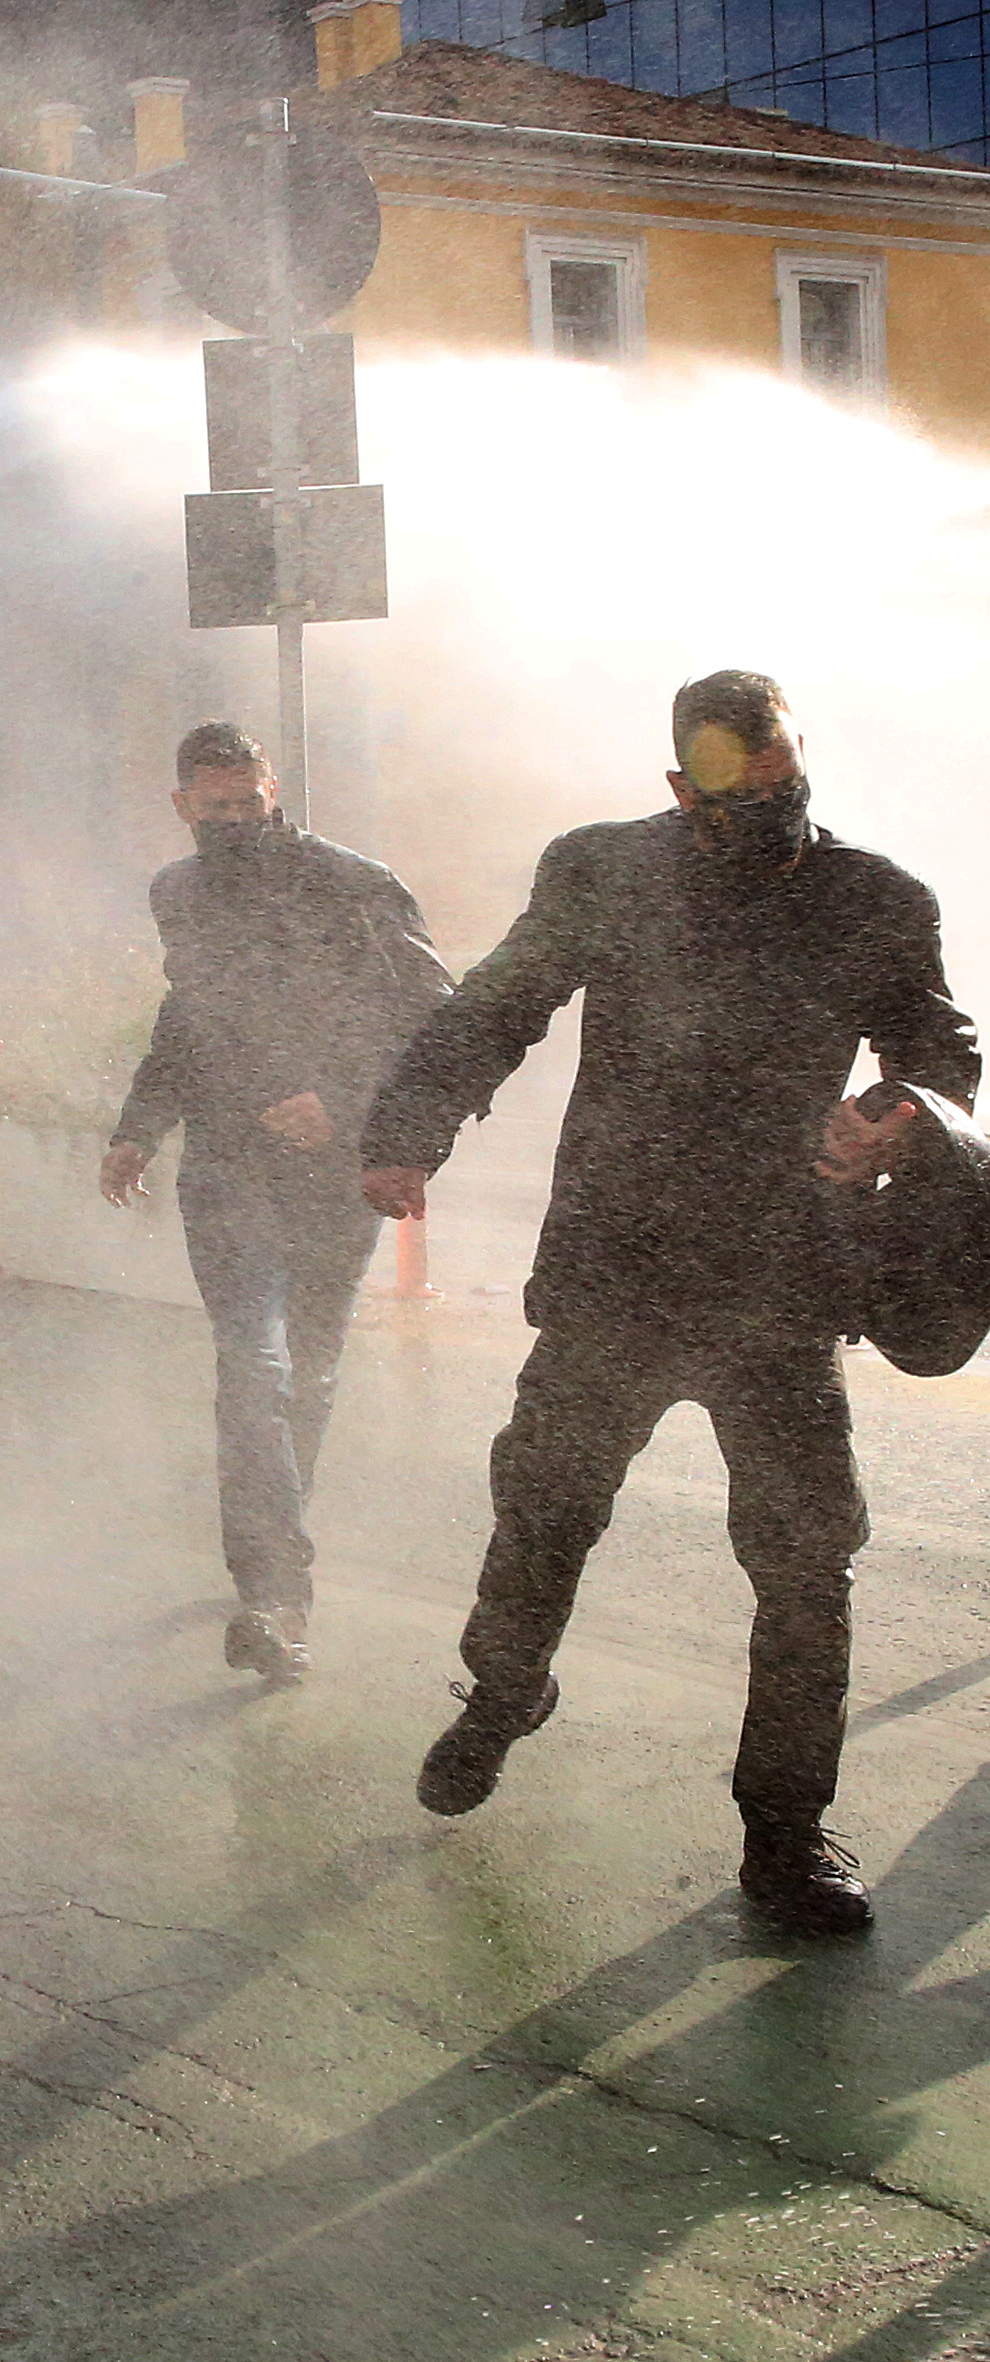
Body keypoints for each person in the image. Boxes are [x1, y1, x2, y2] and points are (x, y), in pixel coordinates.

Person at [359, 671, 976, 1936]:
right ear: (681, 790)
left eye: (786, 782)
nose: (770, 810)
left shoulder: (875, 897)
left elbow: (940, 1054)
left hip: (780, 1286)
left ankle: (786, 1833)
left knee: (806, 1563)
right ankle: (506, 1690)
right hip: (617, 1269)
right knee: (544, 1506)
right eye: (739, 794)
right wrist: (409, 1128)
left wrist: (902, 1116)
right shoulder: (603, 871)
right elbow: (497, 1004)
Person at [101, 722, 452, 1683]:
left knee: (307, 1374)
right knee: (252, 1367)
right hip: (224, 1165)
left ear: (272, 793)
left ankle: (272, 1557)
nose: (232, 823)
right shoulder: (177, 892)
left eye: (247, 805)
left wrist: (343, 1099)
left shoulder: (351, 882)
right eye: (212, 809)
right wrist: (138, 1125)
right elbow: (186, 1016)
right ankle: (272, 1593)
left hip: (333, 1176)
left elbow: (434, 1011)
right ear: (181, 806)